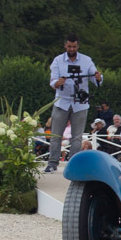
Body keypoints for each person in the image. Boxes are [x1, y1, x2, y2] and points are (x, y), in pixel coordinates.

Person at [45, 34, 103, 173]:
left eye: (74, 46)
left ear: (78, 46)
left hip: (80, 103)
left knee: (77, 137)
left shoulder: (86, 60)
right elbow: (52, 80)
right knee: (55, 135)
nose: (72, 49)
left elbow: (96, 79)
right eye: (69, 46)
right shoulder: (58, 60)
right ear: (65, 46)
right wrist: (57, 83)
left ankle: (73, 164)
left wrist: (98, 77)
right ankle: (52, 163)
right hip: (62, 102)